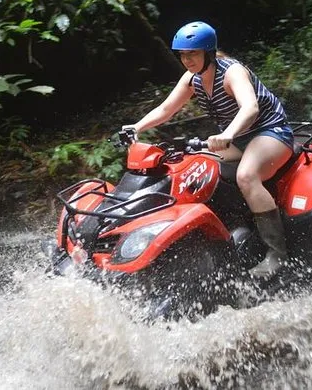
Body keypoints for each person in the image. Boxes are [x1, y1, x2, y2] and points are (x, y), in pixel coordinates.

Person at [123, 21, 294, 278]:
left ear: (209, 52)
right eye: (182, 54)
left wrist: (227, 134)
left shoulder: (232, 72)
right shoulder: (192, 79)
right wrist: (136, 127)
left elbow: (250, 107)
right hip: (237, 139)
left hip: (269, 132)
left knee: (246, 176)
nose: (187, 60)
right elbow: (166, 109)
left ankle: (277, 254)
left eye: (193, 53)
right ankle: (228, 227)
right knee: (196, 167)